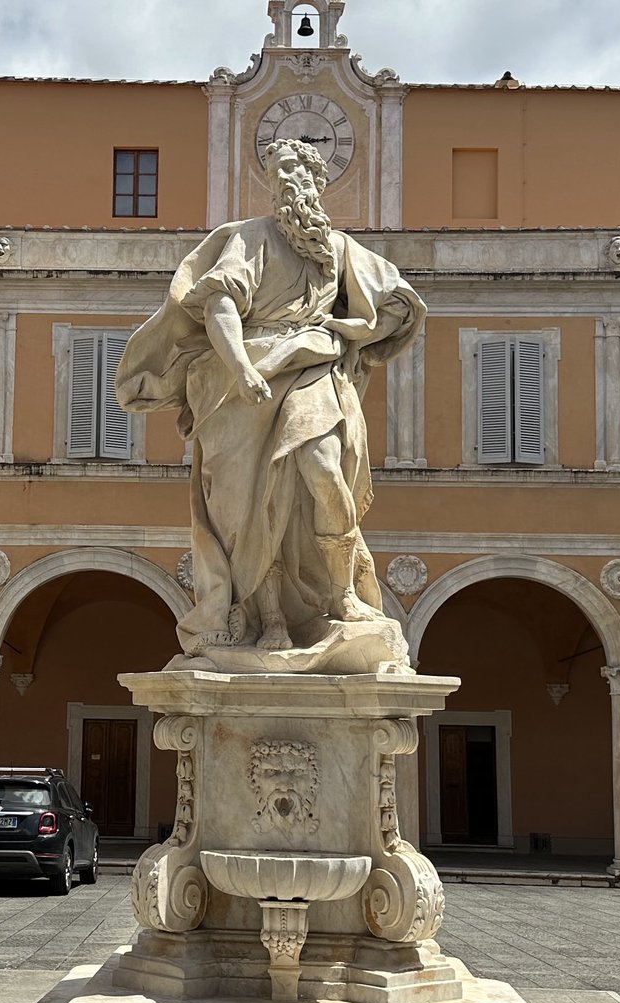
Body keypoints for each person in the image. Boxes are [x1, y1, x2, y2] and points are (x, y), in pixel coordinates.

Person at [115, 138, 426, 658]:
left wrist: (346, 329)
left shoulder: (344, 250)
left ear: (316, 180)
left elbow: (401, 306)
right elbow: (219, 303)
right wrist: (238, 367)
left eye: (293, 169)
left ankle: (343, 595)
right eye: (276, 171)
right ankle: (271, 618)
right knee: (251, 509)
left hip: (311, 371)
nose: (285, 180)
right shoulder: (251, 237)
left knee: (324, 474)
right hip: (242, 385)